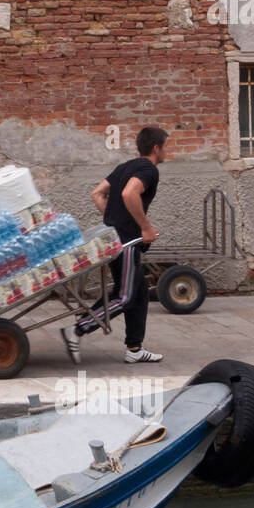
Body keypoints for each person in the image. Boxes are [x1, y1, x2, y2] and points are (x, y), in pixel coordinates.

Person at [61, 126, 168, 366]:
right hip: (128, 242)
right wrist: (144, 228)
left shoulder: (124, 167)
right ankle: (78, 330)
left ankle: (134, 348)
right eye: (166, 147)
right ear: (155, 148)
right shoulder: (148, 169)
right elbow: (131, 193)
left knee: (139, 291)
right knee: (125, 296)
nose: (166, 152)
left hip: (115, 238)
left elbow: (97, 194)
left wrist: (114, 221)